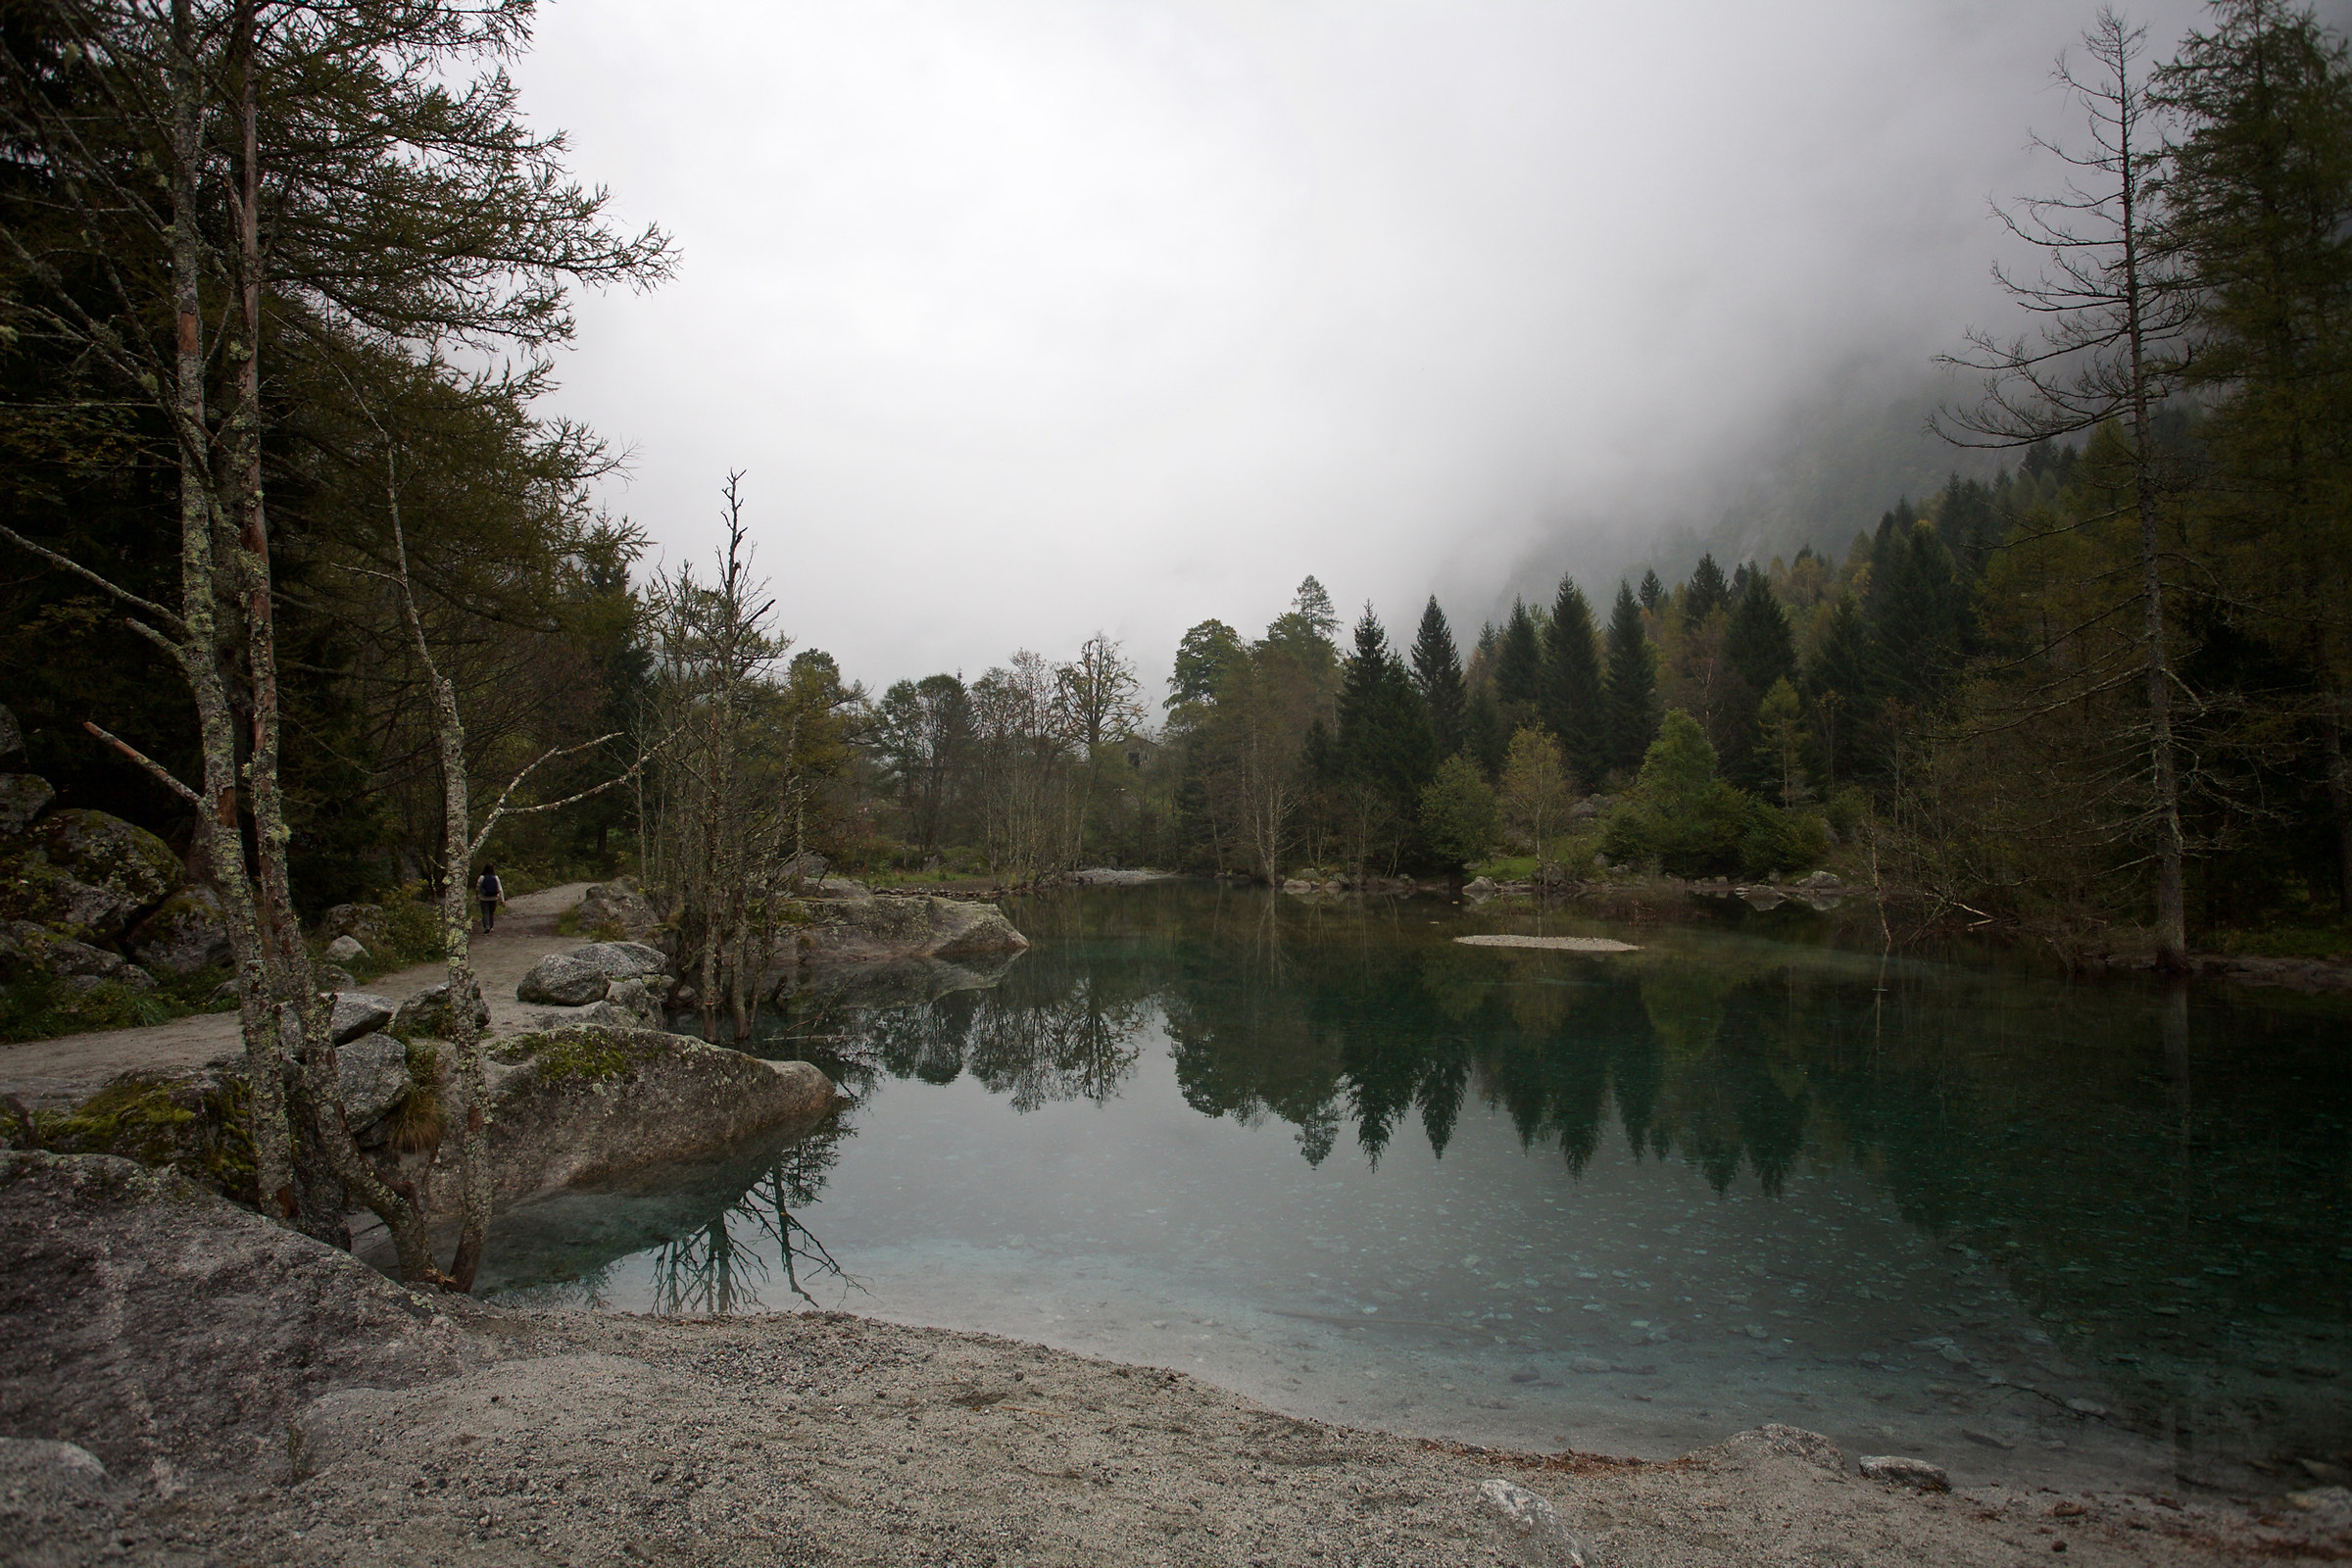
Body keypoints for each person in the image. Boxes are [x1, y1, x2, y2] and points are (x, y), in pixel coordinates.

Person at [477, 863, 506, 933]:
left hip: (483, 898)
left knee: (485, 912)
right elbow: (500, 889)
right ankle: (491, 926)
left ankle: (486, 926)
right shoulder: (495, 878)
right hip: (493, 898)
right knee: (491, 912)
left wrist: (478, 895)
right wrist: (502, 899)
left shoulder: (481, 877)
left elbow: (478, 887)